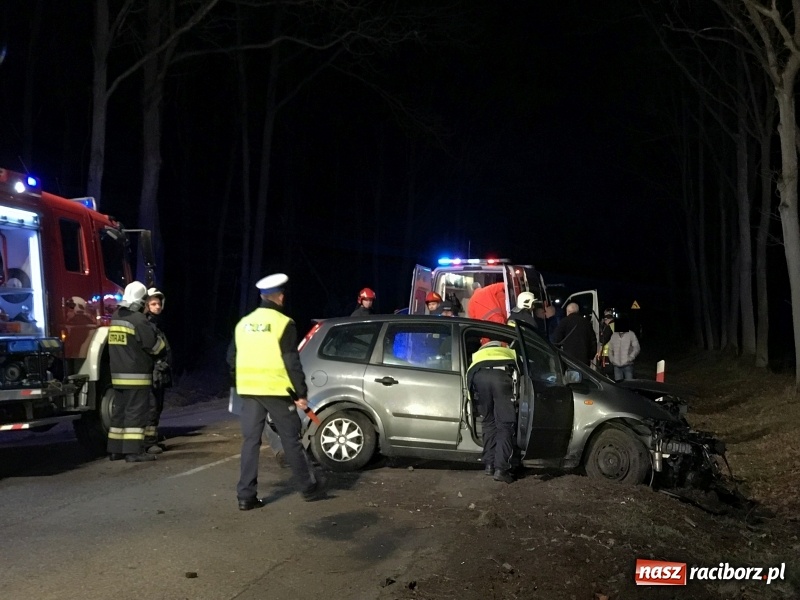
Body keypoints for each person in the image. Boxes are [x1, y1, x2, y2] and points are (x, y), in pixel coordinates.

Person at [228, 273, 323, 510]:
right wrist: (301, 394)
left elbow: (231, 358)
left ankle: (245, 496)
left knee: (250, 442)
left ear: (262, 296)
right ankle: (308, 488)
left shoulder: (244, 323)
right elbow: (291, 361)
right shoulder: (284, 323)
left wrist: (241, 381)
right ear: (280, 297)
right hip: (276, 391)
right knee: (291, 439)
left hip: (249, 391)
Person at [107, 282, 166, 463]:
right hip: (136, 375)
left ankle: (115, 450)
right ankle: (133, 452)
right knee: (135, 413)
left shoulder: (115, 317)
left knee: (119, 413)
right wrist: (162, 345)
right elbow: (154, 347)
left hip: (117, 375)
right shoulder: (139, 320)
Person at [467, 340, 518, 484]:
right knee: (505, 424)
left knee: (488, 421)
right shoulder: (508, 351)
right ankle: (501, 469)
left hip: (479, 376)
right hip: (500, 377)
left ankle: (489, 465)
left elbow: (469, 377)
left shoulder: (478, 355)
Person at [143, 288, 172, 455]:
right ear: (146, 305)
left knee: (157, 406)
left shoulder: (156, 323)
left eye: (159, 303)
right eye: (153, 304)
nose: (157, 306)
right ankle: (149, 442)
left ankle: (152, 439)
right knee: (152, 407)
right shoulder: (147, 324)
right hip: (152, 372)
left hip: (159, 372)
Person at [595, 308, 616, 377]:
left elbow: (603, 340)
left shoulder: (608, 327)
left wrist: (599, 352)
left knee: (607, 373)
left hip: (608, 354)